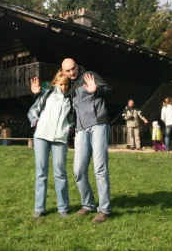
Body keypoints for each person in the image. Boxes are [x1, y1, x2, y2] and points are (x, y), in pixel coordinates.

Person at [31, 58, 113, 223]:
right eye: (68, 71)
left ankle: (104, 209)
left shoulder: (89, 76)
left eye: (73, 68)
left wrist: (96, 90)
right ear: (63, 71)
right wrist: (36, 93)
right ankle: (88, 204)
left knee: (100, 169)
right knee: (78, 171)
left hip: (98, 125)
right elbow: (51, 93)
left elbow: (109, 91)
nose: (72, 72)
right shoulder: (69, 86)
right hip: (81, 130)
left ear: (77, 66)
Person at [27, 71, 74, 218]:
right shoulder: (46, 95)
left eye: (66, 84)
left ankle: (63, 208)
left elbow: (72, 118)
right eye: (61, 84)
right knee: (41, 172)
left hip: (60, 139)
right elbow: (32, 111)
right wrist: (37, 123)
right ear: (55, 84)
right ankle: (39, 208)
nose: (64, 87)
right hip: (41, 137)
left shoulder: (71, 100)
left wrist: (69, 128)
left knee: (60, 172)